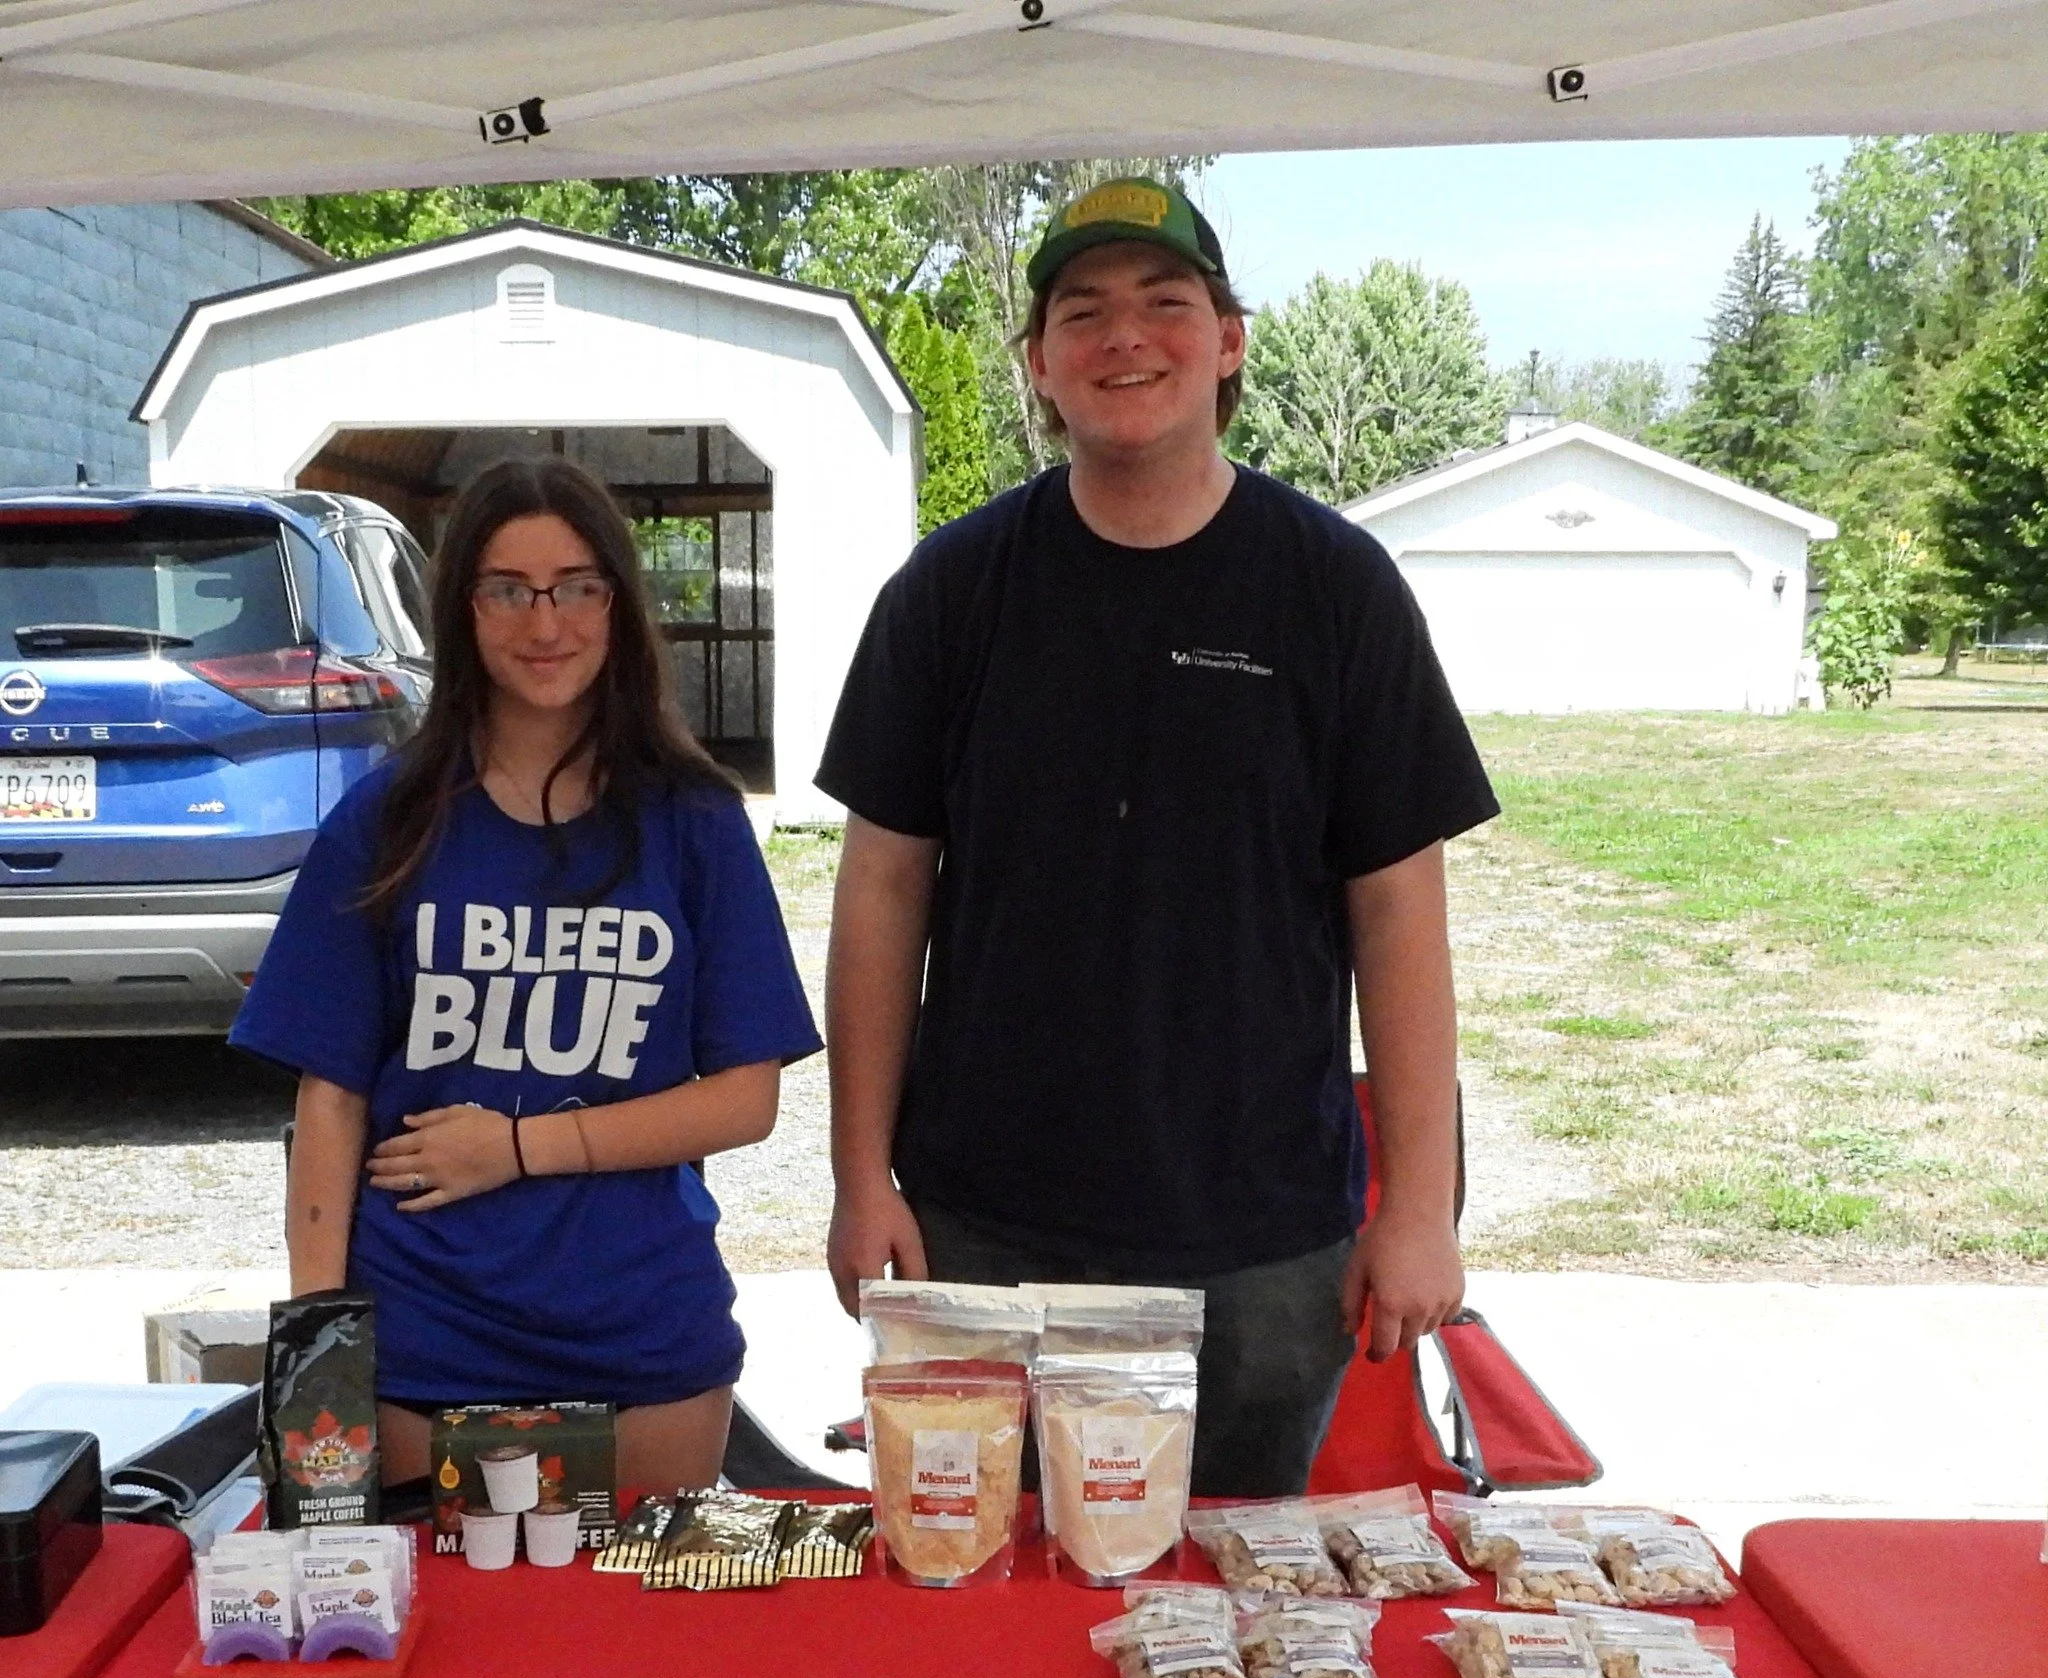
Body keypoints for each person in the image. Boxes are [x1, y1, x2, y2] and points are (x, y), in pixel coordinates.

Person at [816, 178, 1499, 1496]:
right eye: (1085, 311)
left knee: (1238, 1635)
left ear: (1229, 340)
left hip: (1263, 1247)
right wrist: (859, 1176)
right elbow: (881, 891)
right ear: (1041, 363)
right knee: (986, 1614)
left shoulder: (1336, 589)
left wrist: (1418, 1207)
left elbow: (1401, 910)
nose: (1125, 336)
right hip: (979, 1227)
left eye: (1164, 303)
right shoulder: (951, 594)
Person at [231, 459, 820, 1491]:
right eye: (506, 588)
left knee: (637, 1647)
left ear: (616, 605)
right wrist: (313, 1359)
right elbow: (329, 1101)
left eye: (575, 586)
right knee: (448, 1646)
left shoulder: (694, 823)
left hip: (643, 1339)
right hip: (428, 1343)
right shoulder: (388, 822)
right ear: (462, 610)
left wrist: (516, 1145)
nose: (543, 622)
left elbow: (746, 1098)